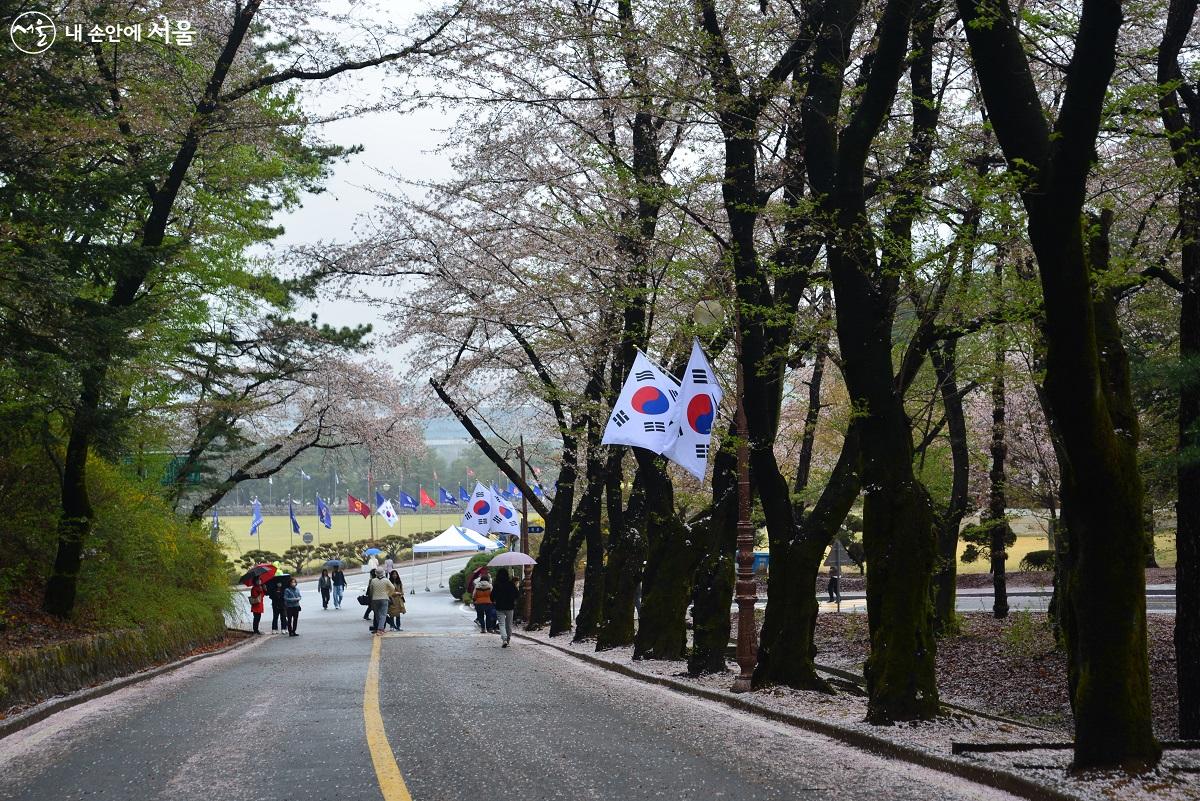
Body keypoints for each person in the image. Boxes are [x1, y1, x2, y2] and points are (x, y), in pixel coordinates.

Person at [492, 568, 518, 647]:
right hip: (510, 606)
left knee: (501, 623)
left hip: (499, 607)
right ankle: (508, 639)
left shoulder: (496, 585)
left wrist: (494, 600)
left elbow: (492, 596)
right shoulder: (511, 584)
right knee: (509, 624)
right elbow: (517, 594)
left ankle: (504, 639)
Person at [367, 569, 395, 636]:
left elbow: (371, 590)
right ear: (383, 573)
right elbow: (392, 588)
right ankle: (380, 629)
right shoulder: (386, 580)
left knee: (377, 614)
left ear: (376, 573)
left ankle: (380, 629)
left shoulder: (373, 581)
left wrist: (372, 597)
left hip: (375, 599)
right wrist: (388, 594)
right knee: (383, 615)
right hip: (384, 598)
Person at [468, 567, 490, 631]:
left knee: (480, 616)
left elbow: (474, 595)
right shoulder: (490, 586)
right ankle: (488, 628)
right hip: (488, 603)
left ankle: (483, 628)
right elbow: (492, 594)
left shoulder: (477, 586)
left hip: (479, 603)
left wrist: (475, 600)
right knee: (488, 615)